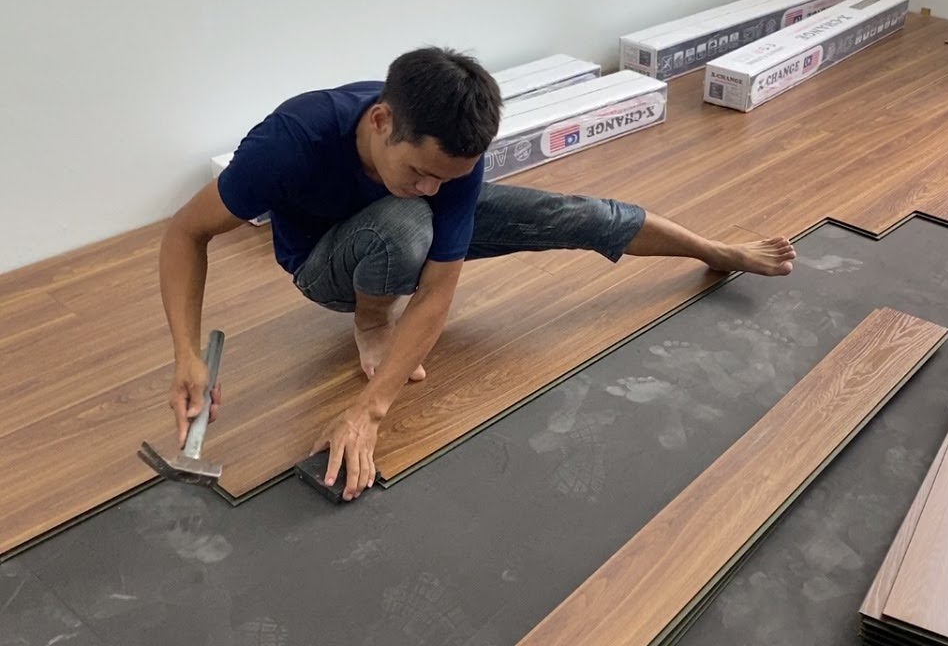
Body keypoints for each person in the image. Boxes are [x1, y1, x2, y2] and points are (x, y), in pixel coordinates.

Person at [159, 47, 796, 501]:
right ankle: (371, 321)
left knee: (566, 213)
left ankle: (717, 251)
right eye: (420, 171)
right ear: (381, 121)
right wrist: (187, 353)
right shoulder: (290, 140)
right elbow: (186, 233)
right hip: (323, 264)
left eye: (448, 178)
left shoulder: (447, 164)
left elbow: (439, 291)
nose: (433, 186)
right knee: (405, 222)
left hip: (400, 231)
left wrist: (370, 411)